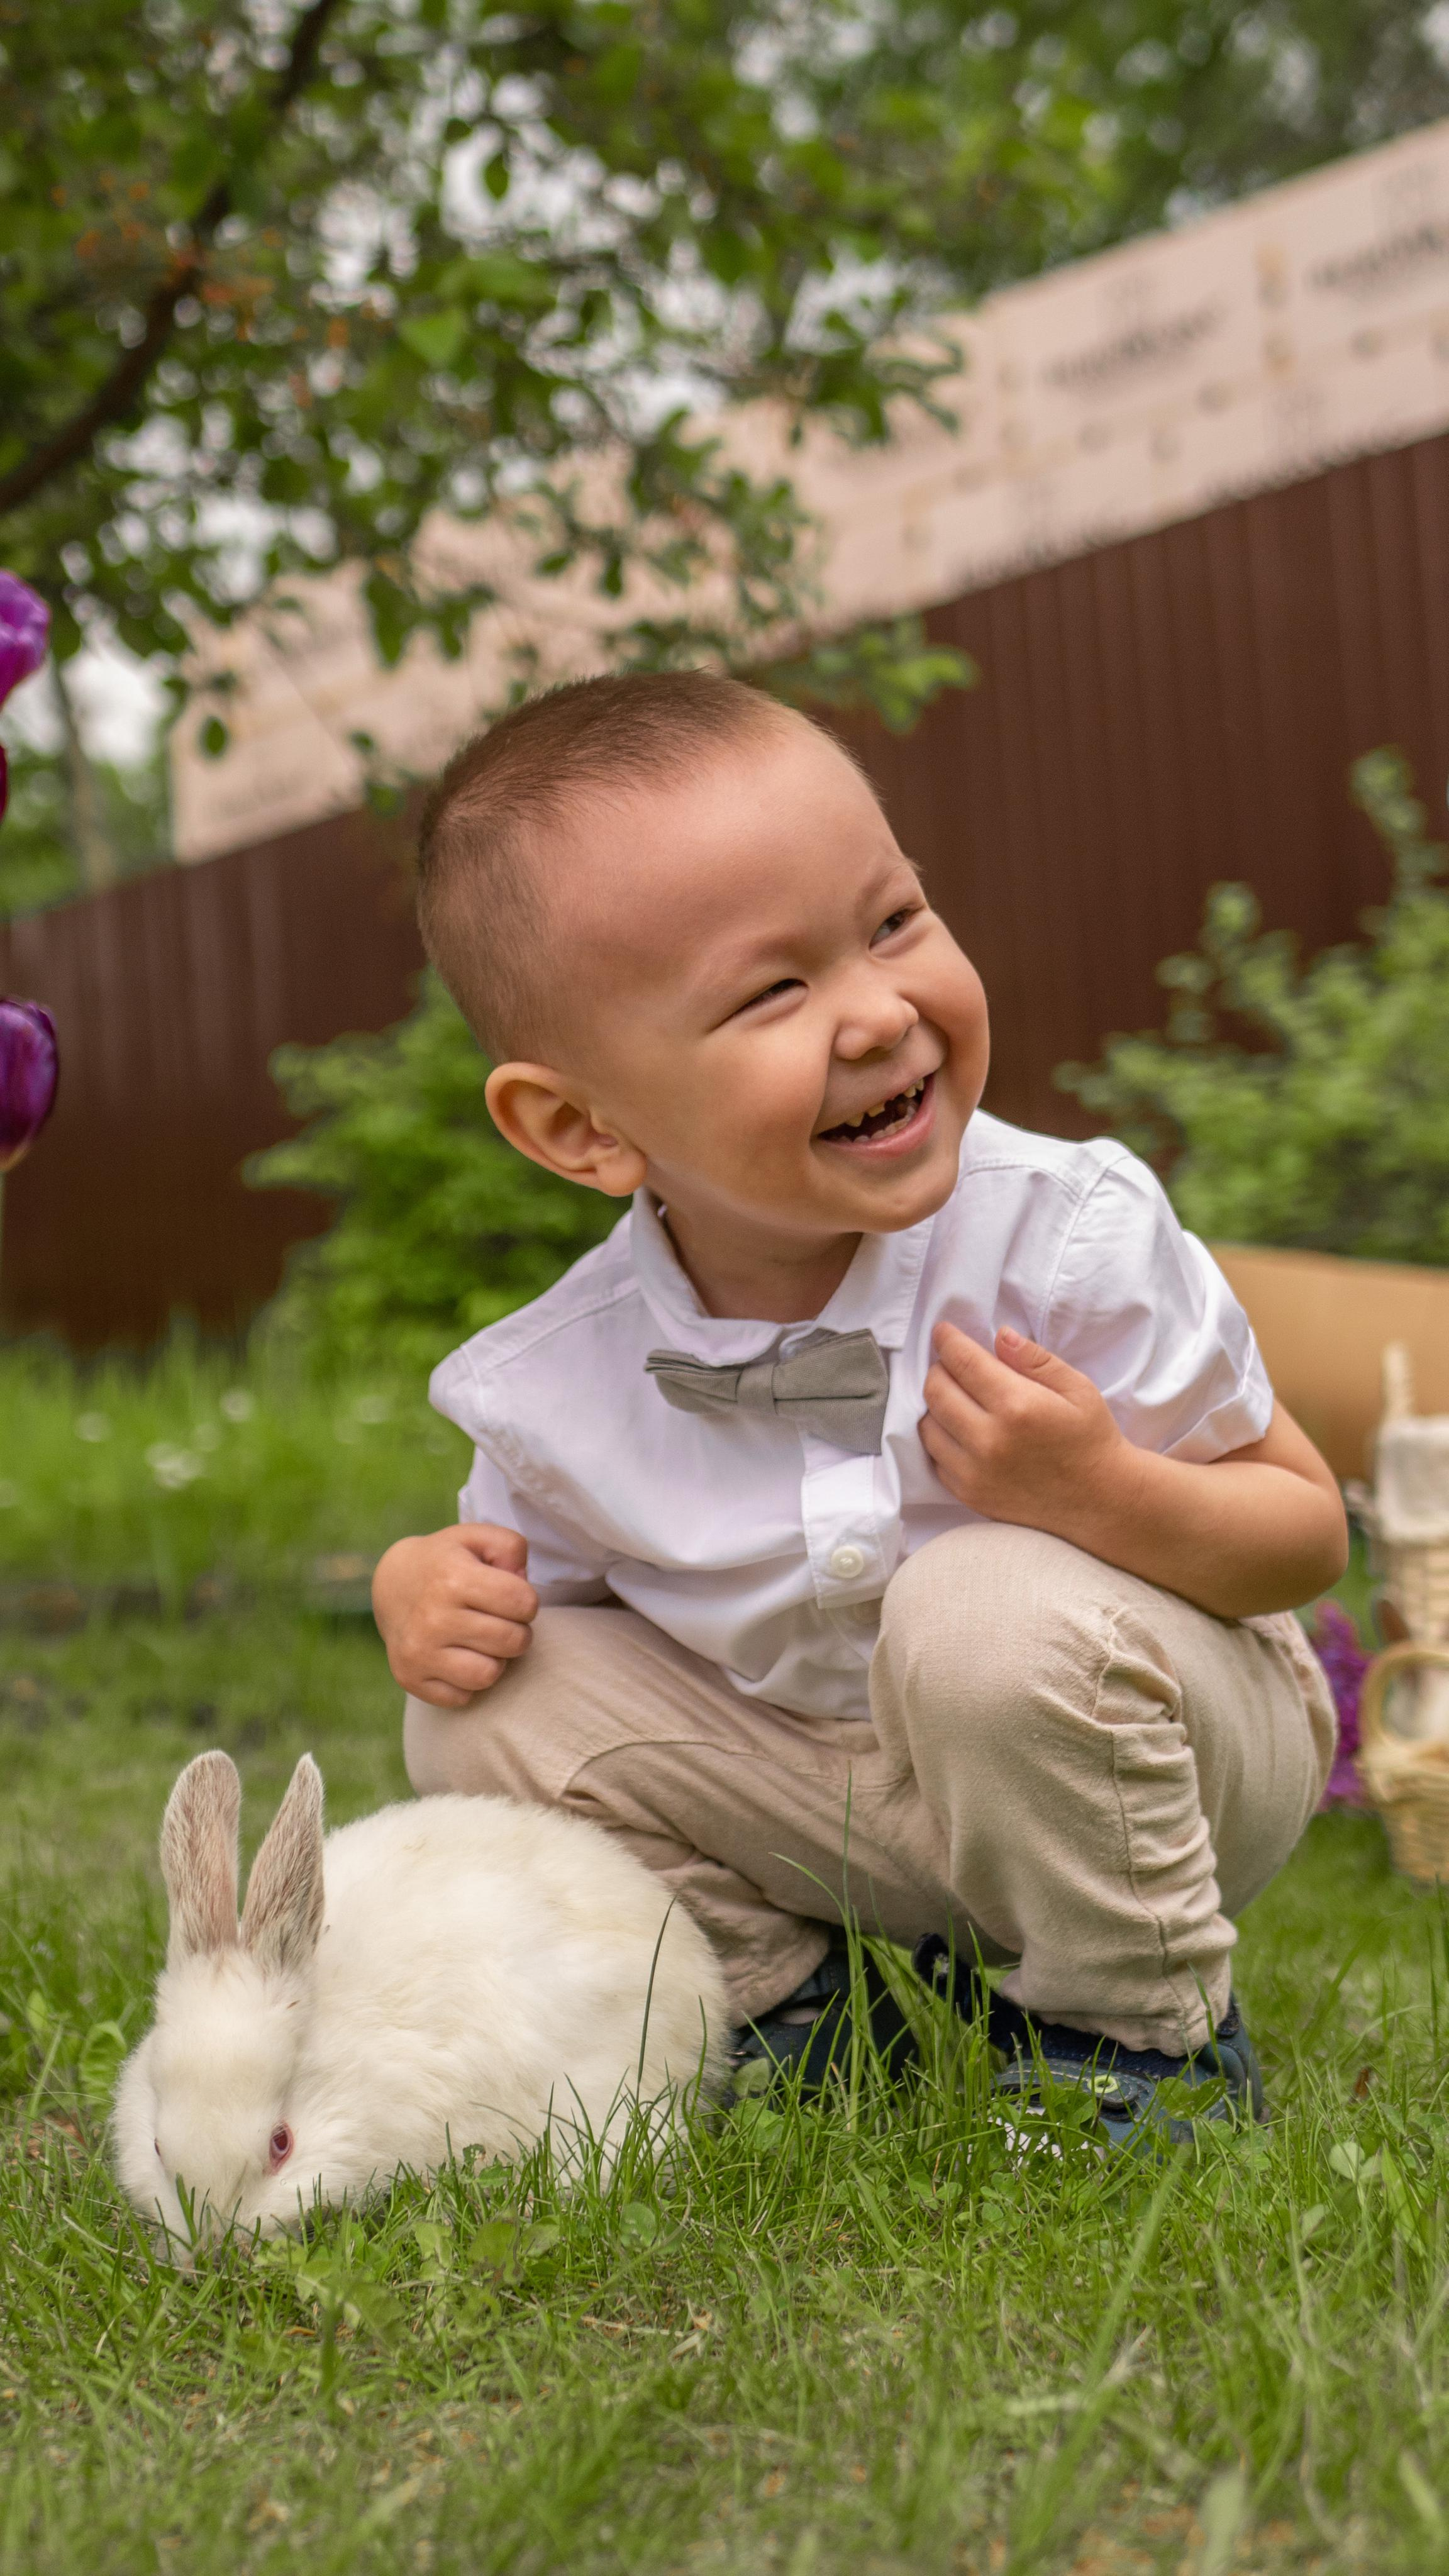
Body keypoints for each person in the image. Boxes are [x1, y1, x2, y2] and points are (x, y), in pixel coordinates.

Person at [372, 670, 1346, 2150]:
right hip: (839, 1799)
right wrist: (422, 1591)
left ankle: (1139, 2033)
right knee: (481, 1706)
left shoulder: (1063, 1236)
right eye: (776, 990)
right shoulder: (556, 1381)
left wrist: (1103, 1493)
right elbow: (537, 1624)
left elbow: (1305, 1537)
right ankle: (801, 2014)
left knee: (980, 1605)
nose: (882, 1011)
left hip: (1165, 1753)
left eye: (894, 921)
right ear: (582, 1127)